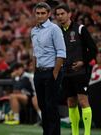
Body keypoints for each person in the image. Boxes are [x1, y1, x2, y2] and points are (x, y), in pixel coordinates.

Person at [55, 3, 97, 135]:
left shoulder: (80, 29)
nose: (60, 16)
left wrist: (83, 62)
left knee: (83, 101)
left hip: (80, 71)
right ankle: (74, 133)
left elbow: (93, 49)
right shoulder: (57, 32)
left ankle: (87, 133)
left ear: (69, 14)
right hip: (65, 72)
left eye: (62, 14)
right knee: (71, 102)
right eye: (58, 14)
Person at [31, 2, 66, 135]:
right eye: (38, 13)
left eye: (43, 13)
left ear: (49, 14)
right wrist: (34, 71)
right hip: (39, 72)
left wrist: (55, 73)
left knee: (51, 106)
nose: (40, 16)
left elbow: (61, 53)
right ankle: (47, 132)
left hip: (52, 71)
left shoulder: (54, 29)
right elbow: (35, 52)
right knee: (43, 106)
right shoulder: (33, 30)